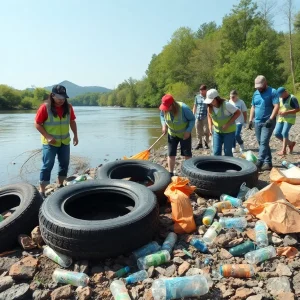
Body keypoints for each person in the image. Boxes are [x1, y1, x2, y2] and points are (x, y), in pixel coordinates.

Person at [35, 84, 78, 198]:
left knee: (64, 164)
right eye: (59, 98)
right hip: (49, 143)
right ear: (52, 95)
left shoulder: (68, 107)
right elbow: (37, 124)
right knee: (47, 164)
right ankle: (42, 190)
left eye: (63, 98)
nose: (61, 100)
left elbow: (72, 121)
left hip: (65, 142)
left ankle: (60, 185)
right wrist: (48, 136)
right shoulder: (45, 108)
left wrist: (75, 136)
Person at [160, 94, 195, 176]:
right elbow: (162, 116)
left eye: (167, 107)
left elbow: (192, 119)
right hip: (172, 134)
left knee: (187, 154)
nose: (165, 110)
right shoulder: (164, 108)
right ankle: (170, 173)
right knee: (171, 153)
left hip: (184, 134)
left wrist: (188, 131)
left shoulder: (184, 108)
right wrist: (164, 125)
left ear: (172, 104)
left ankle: (188, 173)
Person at [248, 75, 279, 171]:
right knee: (261, 142)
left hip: (268, 121)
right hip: (257, 122)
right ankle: (268, 162)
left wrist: (271, 119)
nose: (259, 88)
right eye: (257, 87)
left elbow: (277, 106)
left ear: (265, 83)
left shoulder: (273, 92)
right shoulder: (255, 93)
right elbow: (253, 107)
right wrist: (250, 120)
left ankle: (259, 162)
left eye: (260, 86)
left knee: (264, 142)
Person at [205, 89, 241, 156]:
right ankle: (218, 166)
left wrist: (227, 124)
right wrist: (210, 127)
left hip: (229, 131)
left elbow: (238, 112)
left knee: (227, 152)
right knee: (216, 152)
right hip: (217, 132)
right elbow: (209, 116)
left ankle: (230, 165)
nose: (210, 102)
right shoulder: (209, 107)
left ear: (217, 98)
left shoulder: (226, 105)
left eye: (212, 100)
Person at [274, 87, 299, 155]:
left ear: (285, 92)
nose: (280, 96)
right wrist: (278, 111)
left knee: (284, 132)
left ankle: (283, 150)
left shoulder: (292, 98)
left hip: (289, 119)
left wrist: (287, 112)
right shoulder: (280, 98)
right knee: (276, 133)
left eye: (281, 94)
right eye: (279, 94)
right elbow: (278, 107)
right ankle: (290, 144)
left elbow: (298, 109)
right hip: (281, 118)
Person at [192, 84, 209, 150]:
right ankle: (199, 144)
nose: (201, 92)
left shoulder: (208, 97)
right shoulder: (197, 97)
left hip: (205, 116)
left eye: (202, 90)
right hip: (198, 116)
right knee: (198, 131)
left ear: (205, 90)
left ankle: (206, 143)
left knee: (206, 131)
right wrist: (193, 114)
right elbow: (195, 106)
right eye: (200, 90)